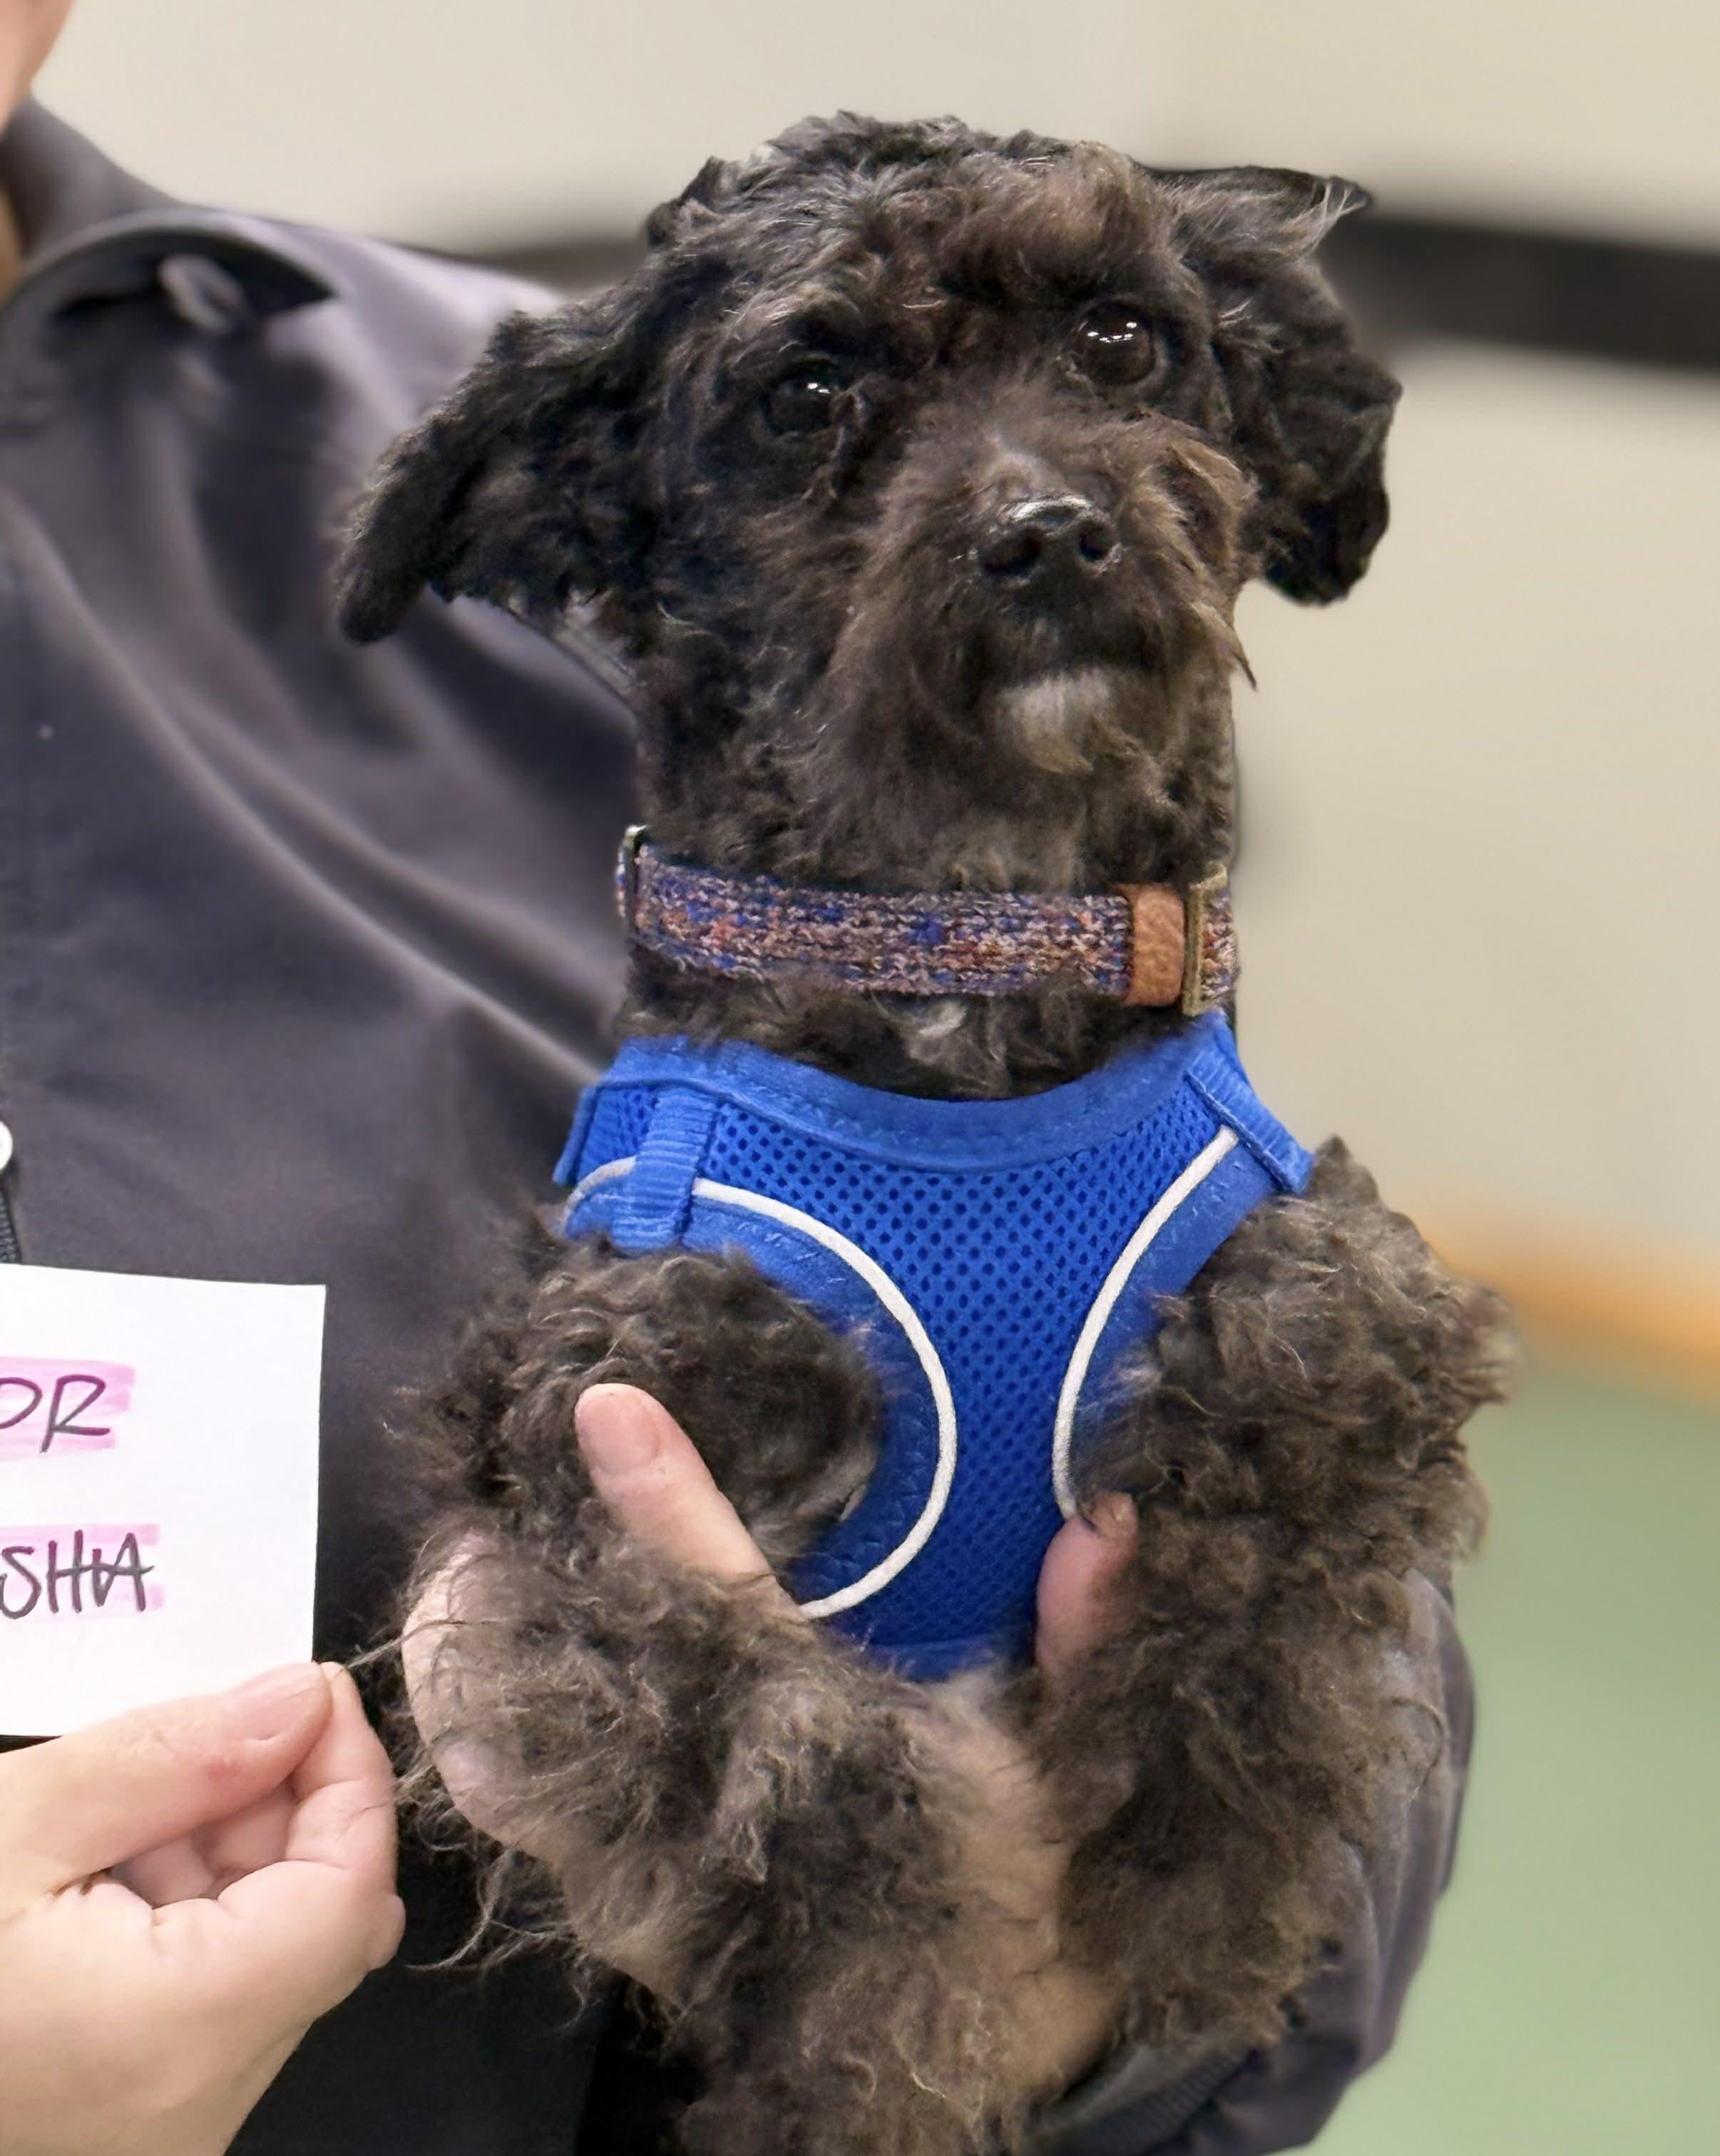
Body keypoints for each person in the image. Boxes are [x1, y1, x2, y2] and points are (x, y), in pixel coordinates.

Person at [0, 9, 1474, 2151]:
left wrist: (1064, 1998)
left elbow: (1339, 1664)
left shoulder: (572, 452)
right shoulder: (621, 447)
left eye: (1114, 358)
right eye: (828, 406)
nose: (1031, 490)